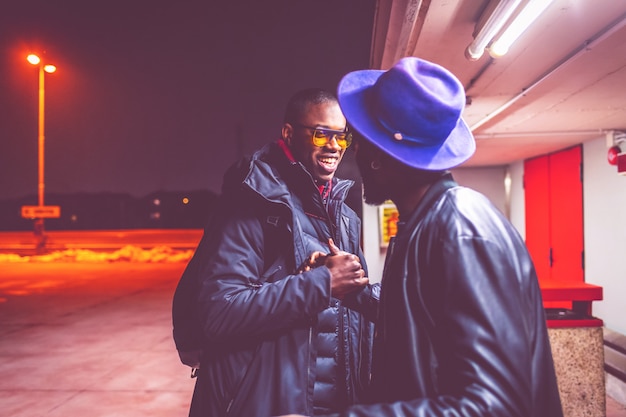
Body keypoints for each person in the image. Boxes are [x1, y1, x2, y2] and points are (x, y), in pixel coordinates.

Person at [282, 57, 564, 416]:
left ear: (379, 157)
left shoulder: (461, 232)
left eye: (362, 140)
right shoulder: (422, 224)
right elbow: (421, 318)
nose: (354, 149)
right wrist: (353, 292)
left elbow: (495, 405)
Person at [172, 88, 379, 417]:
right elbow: (219, 311)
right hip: (263, 404)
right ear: (288, 133)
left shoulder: (344, 217)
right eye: (321, 134)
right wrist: (320, 284)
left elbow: (350, 313)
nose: (334, 146)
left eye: (342, 137)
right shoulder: (253, 202)